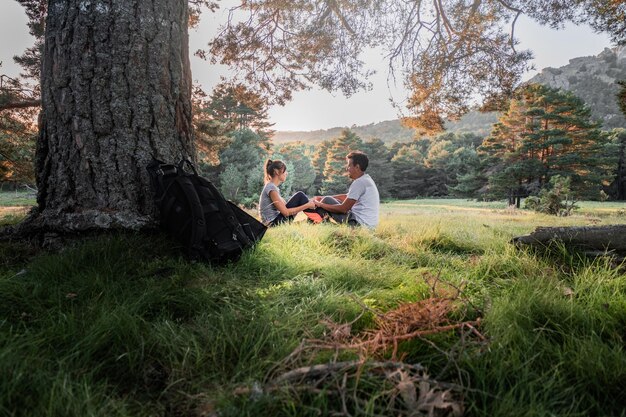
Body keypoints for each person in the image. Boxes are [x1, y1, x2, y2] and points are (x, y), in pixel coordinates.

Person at [313, 151, 380, 228]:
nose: (346, 168)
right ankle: (322, 224)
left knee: (327, 200)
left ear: (357, 167)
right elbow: (347, 197)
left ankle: (317, 223)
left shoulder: (359, 182)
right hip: (367, 225)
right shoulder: (366, 179)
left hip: (359, 225)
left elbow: (343, 209)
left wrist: (320, 204)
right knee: (327, 199)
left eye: (349, 166)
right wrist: (321, 198)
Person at [258, 159, 316, 226]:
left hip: (276, 221)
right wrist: (307, 205)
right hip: (272, 224)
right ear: (276, 172)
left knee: (300, 197)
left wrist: (308, 203)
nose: (286, 173)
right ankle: (317, 218)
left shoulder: (272, 187)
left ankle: (315, 218)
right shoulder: (271, 188)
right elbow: (286, 212)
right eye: (285, 171)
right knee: (300, 195)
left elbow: (286, 206)